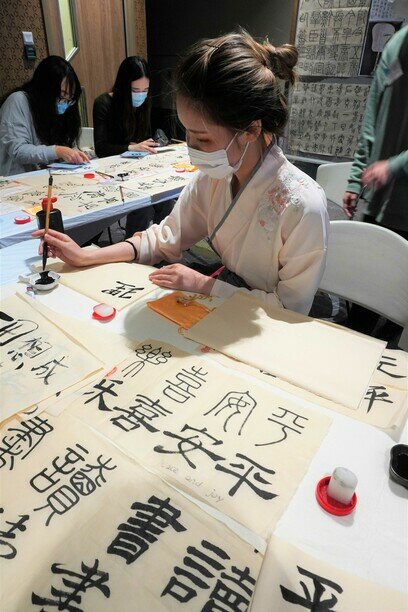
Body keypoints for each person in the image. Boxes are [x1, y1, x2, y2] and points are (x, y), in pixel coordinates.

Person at [34, 30, 329, 316]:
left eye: (203, 139)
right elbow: (164, 237)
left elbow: (291, 311)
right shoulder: (214, 178)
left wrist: (204, 285)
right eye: (187, 134)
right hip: (226, 303)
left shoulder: (302, 205)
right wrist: (86, 255)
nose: (192, 149)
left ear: (251, 129)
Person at [343, 25, 408, 337]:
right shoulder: (396, 42)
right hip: (379, 200)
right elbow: (372, 119)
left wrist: (395, 165)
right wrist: (356, 180)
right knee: (364, 297)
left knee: (400, 309)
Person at [93, 56, 173, 237]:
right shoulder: (104, 103)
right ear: (123, 87)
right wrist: (130, 147)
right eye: (135, 90)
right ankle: (134, 252)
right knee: (143, 208)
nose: (141, 95)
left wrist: (149, 145)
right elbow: (101, 148)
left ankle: (161, 247)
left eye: (145, 90)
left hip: (139, 168)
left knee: (166, 201)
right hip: (112, 172)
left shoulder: (143, 103)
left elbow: (144, 138)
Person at [0, 56, 88, 177]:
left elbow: (57, 145)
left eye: (70, 99)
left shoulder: (54, 109)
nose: (65, 103)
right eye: (62, 95)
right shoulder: (18, 101)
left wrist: (71, 154)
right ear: (46, 89)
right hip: (16, 181)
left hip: (44, 178)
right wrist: (57, 151)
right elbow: (18, 151)